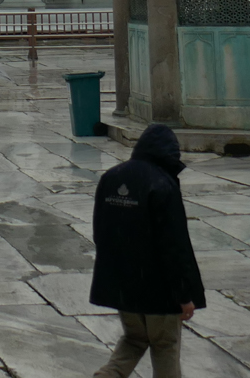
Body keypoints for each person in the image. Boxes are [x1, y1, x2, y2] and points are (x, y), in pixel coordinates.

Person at [89, 123, 205, 378]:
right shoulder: (162, 185)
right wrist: (184, 295)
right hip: (158, 290)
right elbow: (174, 247)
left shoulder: (111, 177)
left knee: (134, 339)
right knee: (165, 345)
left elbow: (100, 233)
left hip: (122, 284)